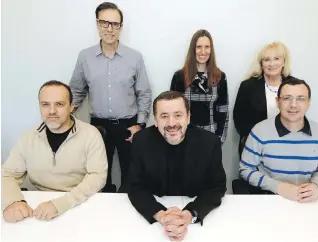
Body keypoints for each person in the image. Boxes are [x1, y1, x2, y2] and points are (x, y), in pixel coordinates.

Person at [69, 2, 152, 192]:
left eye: (115, 24)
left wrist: (140, 125)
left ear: (120, 27)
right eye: (105, 23)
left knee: (131, 178)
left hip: (128, 126)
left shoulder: (134, 57)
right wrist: (67, 118)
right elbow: (76, 91)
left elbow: (144, 93)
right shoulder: (85, 57)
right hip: (97, 128)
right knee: (99, 180)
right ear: (97, 24)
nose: (110, 29)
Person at [1, 81, 107, 223]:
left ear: (71, 107)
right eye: (45, 104)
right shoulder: (28, 138)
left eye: (59, 104)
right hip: (40, 207)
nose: (51, 111)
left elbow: (98, 177)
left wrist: (61, 204)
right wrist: (13, 201)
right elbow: (7, 174)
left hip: (81, 204)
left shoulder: (91, 135)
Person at [128, 91, 227, 241]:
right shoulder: (141, 141)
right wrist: (161, 216)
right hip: (152, 222)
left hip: (197, 223)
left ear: (188, 117)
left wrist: (189, 215)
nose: (171, 123)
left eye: (178, 115)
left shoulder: (209, 143)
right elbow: (135, 186)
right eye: (164, 116)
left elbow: (217, 187)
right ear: (155, 120)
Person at [238, 78, 318, 201]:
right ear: (277, 102)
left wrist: (316, 185)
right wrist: (278, 187)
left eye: (301, 99)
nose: (293, 104)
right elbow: (245, 169)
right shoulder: (260, 131)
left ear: (308, 103)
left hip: (308, 201)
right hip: (271, 198)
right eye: (287, 98)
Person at [233, 42, 294, 156]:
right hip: (255, 146)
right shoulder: (248, 86)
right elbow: (239, 120)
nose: (271, 64)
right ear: (261, 64)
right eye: (266, 60)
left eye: (276, 58)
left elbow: (298, 115)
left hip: (287, 145)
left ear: (284, 62)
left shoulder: (294, 85)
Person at [170, 29, 229, 145]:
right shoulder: (180, 76)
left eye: (207, 47)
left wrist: (220, 139)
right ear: (193, 49)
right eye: (199, 47)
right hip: (184, 136)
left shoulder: (219, 76)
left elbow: (223, 111)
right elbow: (173, 110)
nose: (203, 51)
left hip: (211, 136)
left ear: (211, 50)